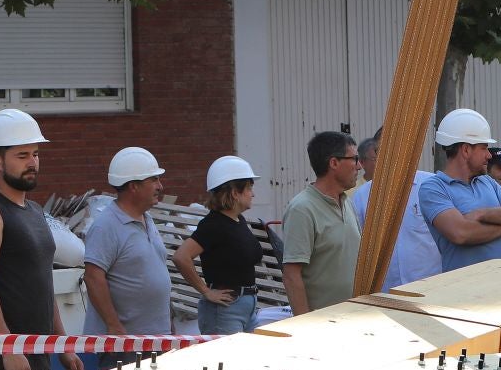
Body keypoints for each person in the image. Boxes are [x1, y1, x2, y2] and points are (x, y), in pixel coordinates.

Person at [0, 108, 82, 370]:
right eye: (22, 156)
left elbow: (42, 285)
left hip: (36, 353)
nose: (33, 163)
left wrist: (61, 345)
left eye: (35, 154)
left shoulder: (35, 212)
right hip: (1, 358)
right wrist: (7, 347)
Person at [81, 147, 175, 370]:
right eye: (154, 180)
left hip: (156, 341)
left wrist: (169, 324)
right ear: (133, 186)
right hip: (124, 346)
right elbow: (93, 278)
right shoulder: (106, 226)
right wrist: (114, 327)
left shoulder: (147, 219)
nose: (160, 187)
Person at [417, 109, 501, 273]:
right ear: (466, 150)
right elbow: (461, 233)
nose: (489, 155)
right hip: (463, 292)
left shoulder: (487, 182)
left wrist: (481, 214)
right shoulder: (433, 188)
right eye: (484, 148)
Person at [174, 156, 266, 335]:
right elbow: (181, 257)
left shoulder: (238, 220)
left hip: (247, 307)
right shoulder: (214, 225)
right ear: (234, 193)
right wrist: (206, 291)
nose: (252, 194)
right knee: (227, 363)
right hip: (225, 312)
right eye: (248, 188)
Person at [281, 130, 363, 314]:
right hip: (322, 326)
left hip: (355, 319)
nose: (359, 166)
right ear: (334, 163)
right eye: (354, 159)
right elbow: (291, 276)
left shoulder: (346, 202)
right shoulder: (302, 209)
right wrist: (305, 325)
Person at [350, 130, 442, 291]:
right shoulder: (362, 197)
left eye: (396, 148)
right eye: (382, 150)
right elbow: (359, 249)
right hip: (386, 294)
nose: (389, 155)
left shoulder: (432, 186)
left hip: (432, 289)